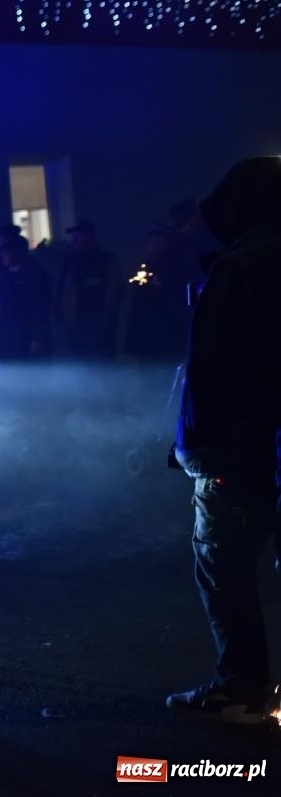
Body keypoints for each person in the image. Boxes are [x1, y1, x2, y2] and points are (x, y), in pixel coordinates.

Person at [165, 157, 281, 724]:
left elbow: (211, 373)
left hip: (241, 452)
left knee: (225, 567)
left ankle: (241, 690)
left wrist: (198, 447)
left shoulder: (238, 269)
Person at [120, 224, 194, 362]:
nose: (151, 244)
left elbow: (171, 295)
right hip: (145, 328)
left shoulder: (174, 266)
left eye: (156, 240)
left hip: (163, 329)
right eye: (150, 240)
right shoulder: (147, 265)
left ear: (166, 242)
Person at [54, 219, 122, 358]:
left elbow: (115, 292)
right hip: (74, 324)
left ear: (89, 236)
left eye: (78, 235)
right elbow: (62, 290)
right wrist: (61, 315)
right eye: (74, 236)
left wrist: (105, 318)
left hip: (96, 324)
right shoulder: (69, 261)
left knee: (101, 362)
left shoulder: (105, 260)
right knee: (80, 361)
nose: (73, 239)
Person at [0, 224, 52, 358]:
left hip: (24, 333)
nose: (2, 255)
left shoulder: (33, 275)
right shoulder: (6, 274)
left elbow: (38, 307)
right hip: (8, 331)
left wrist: (36, 337)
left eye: (6, 252)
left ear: (17, 253)